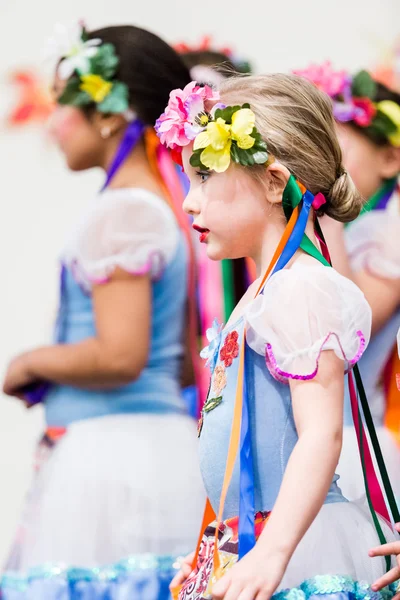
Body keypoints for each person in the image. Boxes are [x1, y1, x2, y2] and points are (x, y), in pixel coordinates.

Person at [155, 73, 398, 600]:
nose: (189, 203)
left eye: (203, 178)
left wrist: (274, 550)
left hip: (300, 546)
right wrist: (215, 549)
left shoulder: (301, 289)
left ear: (272, 181)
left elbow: (320, 435)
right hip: (260, 535)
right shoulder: (266, 291)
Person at [1, 23, 204, 597]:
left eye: (65, 104)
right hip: (148, 449)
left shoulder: (125, 213)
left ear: (111, 115)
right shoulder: (156, 205)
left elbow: (120, 354)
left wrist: (29, 361)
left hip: (117, 461)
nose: (53, 122)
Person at [295, 62, 400, 502]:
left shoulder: (386, 233)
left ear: (390, 158)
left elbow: (347, 327)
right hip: (302, 439)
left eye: (332, 148)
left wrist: (325, 208)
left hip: (354, 444)